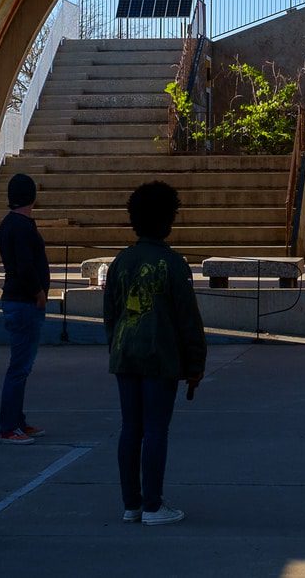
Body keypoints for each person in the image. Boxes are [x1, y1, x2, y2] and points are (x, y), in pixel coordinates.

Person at [104, 180, 207, 526]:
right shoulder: (173, 264)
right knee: (155, 429)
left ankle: (131, 503)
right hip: (160, 356)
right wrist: (195, 364)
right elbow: (188, 319)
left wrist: (116, 348)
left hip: (125, 354)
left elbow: (110, 314)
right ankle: (153, 505)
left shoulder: (121, 262)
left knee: (130, 428)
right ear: (168, 219)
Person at [0, 172, 48, 444]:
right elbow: (25, 266)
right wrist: (39, 293)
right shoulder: (23, 227)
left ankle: (17, 421)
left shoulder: (8, 224)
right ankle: (9, 427)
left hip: (16, 300)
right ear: (32, 197)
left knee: (21, 366)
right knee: (19, 367)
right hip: (25, 303)